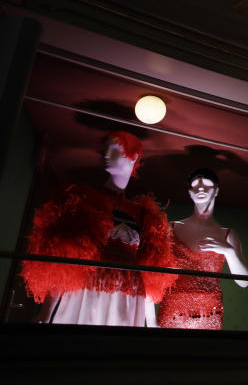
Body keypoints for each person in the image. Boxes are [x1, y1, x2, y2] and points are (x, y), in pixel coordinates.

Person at [20, 131, 175, 326]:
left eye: (115, 150)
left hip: (126, 296)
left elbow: (150, 273)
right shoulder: (85, 200)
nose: (106, 155)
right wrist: (45, 313)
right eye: (105, 150)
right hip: (86, 290)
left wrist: (151, 322)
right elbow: (65, 258)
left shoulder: (144, 215)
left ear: (134, 157)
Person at [157, 169, 248, 329]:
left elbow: (244, 282)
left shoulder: (227, 234)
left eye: (206, 184)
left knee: (204, 352)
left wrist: (229, 251)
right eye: (195, 185)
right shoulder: (170, 228)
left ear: (216, 191)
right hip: (172, 310)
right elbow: (152, 272)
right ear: (190, 192)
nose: (200, 188)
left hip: (209, 313)